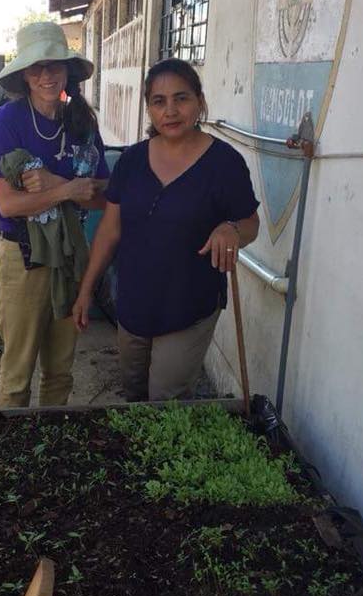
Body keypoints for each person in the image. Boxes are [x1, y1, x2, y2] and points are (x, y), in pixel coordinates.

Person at [72, 58, 260, 401]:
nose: (170, 110)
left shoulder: (224, 163)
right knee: (133, 392)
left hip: (188, 304)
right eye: (159, 101)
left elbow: (251, 224)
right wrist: (86, 290)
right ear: (149, 109)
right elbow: (109, 231)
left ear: (200, 102)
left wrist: (231, 229)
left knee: (165, 399)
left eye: (181, 98)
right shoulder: (131, 162)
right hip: (132, 303)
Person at [0, 21, 109, 410]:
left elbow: (102, 196)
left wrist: (52, 184)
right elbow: (10, 205)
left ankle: (50, 446)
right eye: (37, 67)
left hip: (71, 256)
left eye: (54, 65)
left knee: (60, 369)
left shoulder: (83, 123)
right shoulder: (5, 123)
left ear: (67, 69)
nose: (46, 75)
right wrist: (68, 189)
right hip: (23, 257)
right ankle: (10, 459)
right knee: (17, 372)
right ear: (24, 75)